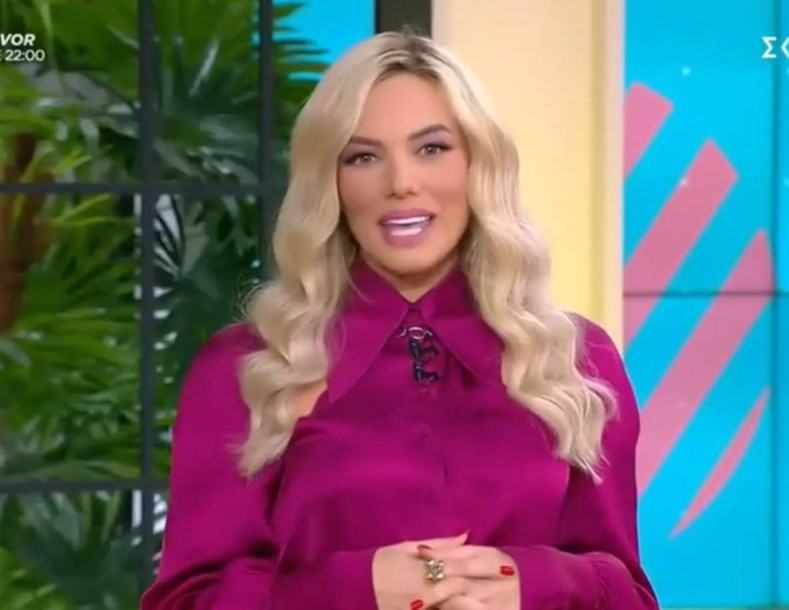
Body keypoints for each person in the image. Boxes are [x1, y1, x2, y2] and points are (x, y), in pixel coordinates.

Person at [140, 30, 659, 610]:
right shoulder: (249, 368)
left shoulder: (574, 359)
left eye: (432, 148)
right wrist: (356, 589)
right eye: (363, 157)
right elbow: (186, 601)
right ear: (331, 183)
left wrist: (533, 582)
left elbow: (628, 594)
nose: (401, 183)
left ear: (478, 164)